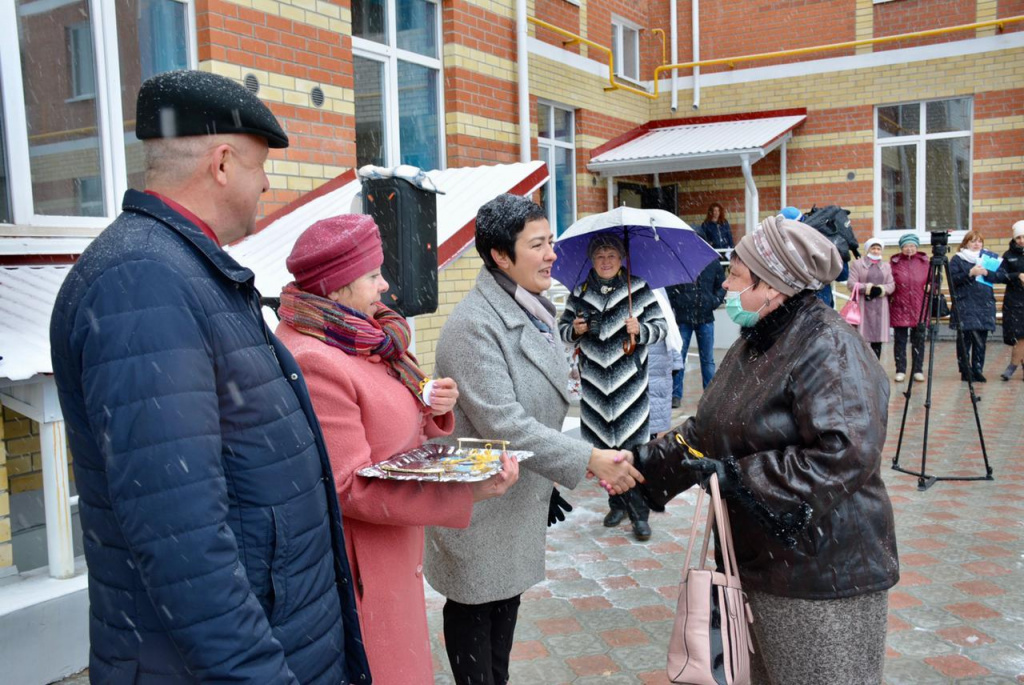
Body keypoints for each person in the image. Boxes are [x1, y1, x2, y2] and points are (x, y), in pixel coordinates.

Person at [48, 70, 370, 683]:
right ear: (222, 163)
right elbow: (182, 540)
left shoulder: (179, 271)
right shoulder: (143, 283)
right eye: (260, 165)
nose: (269, 183)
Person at [635, 214, 899, 685]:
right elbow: (709, 429)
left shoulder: (829, 346)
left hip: (823, 575)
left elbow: (844, 453)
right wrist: (640, 471)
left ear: (772, 286)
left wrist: (739, 478)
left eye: (736, 276)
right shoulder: (757, 340)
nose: (726, 287)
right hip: (764, 565)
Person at [275, 214, 519, 684]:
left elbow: (391, 415)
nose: (385, 285)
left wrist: (431, 405)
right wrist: (466, 493)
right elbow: (350, 488)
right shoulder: (316, 358)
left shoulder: (365, 335)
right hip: (362, 569)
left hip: (389, 556)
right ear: (336, 287)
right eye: (372, 275)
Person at [425, 194, 642, 685]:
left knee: (502, 611)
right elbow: (505, 422)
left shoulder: (534, 308)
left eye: (551, 243)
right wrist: (588, 458)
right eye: (538, 245)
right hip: (480, 502)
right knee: (476, 610)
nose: (551, 255)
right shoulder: (474, 325)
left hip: (517, 493)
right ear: (501, 256)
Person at [558, 234, 667, 541]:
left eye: (611, 256)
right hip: (593, 387)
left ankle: (639, 513)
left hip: (630, 385)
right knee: (605, 451)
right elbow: (562, 331)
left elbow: (661, 328)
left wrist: (641, 329)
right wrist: (575, 329)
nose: (605, 261)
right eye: (600, 256)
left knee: (632, 451)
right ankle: (616, 504)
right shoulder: (579, 293)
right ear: (592, 261)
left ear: (622, 259)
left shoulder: (638, 288)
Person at [665, 258, 726, 407]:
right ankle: (675, 395)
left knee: (708, 360)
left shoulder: (712, 263)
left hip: (705, 318)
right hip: (684, 318)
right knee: (680, 358)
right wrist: (678, 304)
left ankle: (709, 395)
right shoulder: (679, 262)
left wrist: (714, 301)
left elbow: (722, 286)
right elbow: (670, 288)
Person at [950, 231, 1008, 382]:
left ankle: (977, 369)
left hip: (984, 303)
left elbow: (1002, 276)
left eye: (979, 241)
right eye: (973, 241)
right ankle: (965, 370)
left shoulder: (989, 258)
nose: (977, 244)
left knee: (981, 340)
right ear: (965, 243)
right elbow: (952, 279)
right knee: (964, 340)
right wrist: (970, 273)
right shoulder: (958, 259)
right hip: (965, 303)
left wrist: (987, 272)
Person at [889, 233, 930, 382]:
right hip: (900, 306)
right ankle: (900, 370)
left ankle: (917, 370)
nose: (909, 249)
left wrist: (933, 286)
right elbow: (888, 281)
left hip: (920, 306)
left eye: (912, 245)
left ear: (917, 247)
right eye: (906, 246)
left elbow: (935, 279)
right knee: (900, 340)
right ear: (901, 247)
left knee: (918, 340)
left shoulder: (925, 262)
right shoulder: (894, 263)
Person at [847, 237, 895, 359]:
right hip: (863, 305)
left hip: (880, 306)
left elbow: (891, 285)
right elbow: (851, 283)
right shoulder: (858, 264)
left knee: (877, 339)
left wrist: (880, 290)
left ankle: (876, 366)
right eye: (873, 248)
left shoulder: (886, 266)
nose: (876, 251)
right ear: (868, 249)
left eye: (878, 248)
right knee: (862, 338)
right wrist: (867, 288)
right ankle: (863, 366)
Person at [647, 288, 684, 432]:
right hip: (652, 367)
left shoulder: (657, 292)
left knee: (652, 428)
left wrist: (675, 361)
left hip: (658, 366)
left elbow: (670, 327)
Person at [998, 221, 1024, 380]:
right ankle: (1015, 365)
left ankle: (1012, 366)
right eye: (1018, 237)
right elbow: (1000, 276)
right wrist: (1017, 276)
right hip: (1015, 301)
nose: (1021, 240)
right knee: (1020, 335)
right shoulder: (1008, 256)